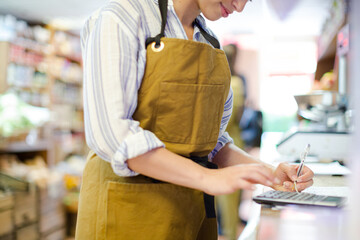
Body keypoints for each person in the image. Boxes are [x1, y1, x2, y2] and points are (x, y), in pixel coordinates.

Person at [75, 0, 314, 239]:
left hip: (189, 214)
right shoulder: (122, 17)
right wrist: (207, 177)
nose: (240, 6)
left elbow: (211, 142)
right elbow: (114, 134)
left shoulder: (208, 40)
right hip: (126, 213)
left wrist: (272, 174)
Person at [216, 43, 246, 240]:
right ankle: (231, 233)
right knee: (231, 197)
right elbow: (239, 115)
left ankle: (228, 233)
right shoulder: (236, 83)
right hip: (233, 140)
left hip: (223, 143)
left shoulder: (221, 81)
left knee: (224, 196)